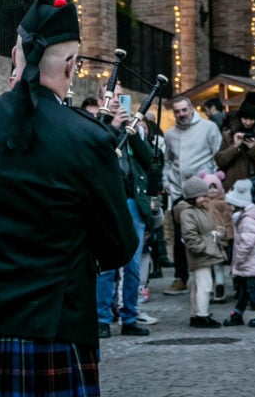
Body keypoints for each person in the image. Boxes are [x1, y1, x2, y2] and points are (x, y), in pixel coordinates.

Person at [0, 0, 138, 397]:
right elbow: (119, 245)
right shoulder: (89, 139)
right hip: (48, 331)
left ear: (15, 54)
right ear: (71, 66)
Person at [95, 86, 155, 339]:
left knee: (132, 265)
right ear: (103, 100)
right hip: (109, 202)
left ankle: (130, 316)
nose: (118, 102)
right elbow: (99, 155)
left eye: (122, 97)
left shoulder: (134, 128)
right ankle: (102, 318)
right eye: (113, 97)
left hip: (132, 201)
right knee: (107, 264)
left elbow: (148, 159)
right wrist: (114, 127)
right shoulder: (97, 126)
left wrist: (131, 131)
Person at [162, 95, 221, 295]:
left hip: (203, 190)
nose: (181, 114)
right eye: (177, 111)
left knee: (206, 233)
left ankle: (211, 278)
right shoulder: (170, 134)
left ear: (191, 108)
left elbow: (217, 156)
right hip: (179, 191)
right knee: (181, 236)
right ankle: (180, 277)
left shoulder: (209, 128)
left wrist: (212, 183)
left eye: (184, 110)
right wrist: (166, 182)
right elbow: (168, 162)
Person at [174, 175, 225, 328]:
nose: (205, 198)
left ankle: (196, 314)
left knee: (198, 285)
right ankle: (202, 315)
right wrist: (204, 247)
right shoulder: (188, 212)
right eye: (202, 195)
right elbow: (190, 236)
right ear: (193, 196)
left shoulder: (196, 209)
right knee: (205, 285)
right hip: (201, 254)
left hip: (203, 252)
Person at [222, 178, 255, 328]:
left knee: (252, 290)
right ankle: (238, 313)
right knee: (245, 290)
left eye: (231, 205)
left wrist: (238, 259)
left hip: (249, 263)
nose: (229, 207)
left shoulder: (248, 221)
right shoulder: (246, 218)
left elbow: (246, 244)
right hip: (250, 262)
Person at [216, 97, 255, 191]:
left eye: (252, 119)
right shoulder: (228, 135)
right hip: (232, 186)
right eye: (245, 118)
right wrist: (234, 146)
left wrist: (254, 149)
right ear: (240, 117)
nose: (248, 122)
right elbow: (220, 162)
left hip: (253, 185)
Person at [198, 170, 233, 300]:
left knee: (218, 265)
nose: (212, 190)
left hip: (219, 238)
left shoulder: (223, 203)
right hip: (205, 238)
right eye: (209, 187)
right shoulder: (201, 203)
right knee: (207, 265)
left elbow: (229, 220)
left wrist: (227, 234)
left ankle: (220, 286)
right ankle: (210, 287)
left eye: (215, 187)